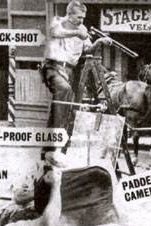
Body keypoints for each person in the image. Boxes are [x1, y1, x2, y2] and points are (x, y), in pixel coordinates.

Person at [43, 0, 112, 130]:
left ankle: (53, 136)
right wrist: (76, 33)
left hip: (70, 71)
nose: (81, 21)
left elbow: (88, 50)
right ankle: (59, 132)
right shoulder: (57, 21)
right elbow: (54, 33)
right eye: (79, 17)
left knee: (67, 103)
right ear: (69, 14)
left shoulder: (82, 28)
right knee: (65, 91)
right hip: (53, 68)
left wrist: (99, 42)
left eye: (83, 18)